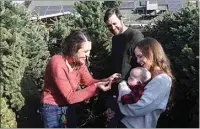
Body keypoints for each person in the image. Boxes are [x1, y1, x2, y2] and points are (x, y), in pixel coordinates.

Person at [40, 29, 121, 128]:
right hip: (52, 108)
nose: (88, 54)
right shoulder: (57, 63)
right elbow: (70, 97)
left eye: (89, 51)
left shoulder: (79, 62)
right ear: (74, 49)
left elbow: (90, 82)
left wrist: (108, 80)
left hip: (68, 107)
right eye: (85, 51)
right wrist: (96, 86)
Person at [113, 37, 173, 128]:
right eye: (136, 57)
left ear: (152, 53)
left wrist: (122, 86)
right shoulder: (149, 76)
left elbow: (136, 108)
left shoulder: (162, 80)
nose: (137, 61)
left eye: (140, 56)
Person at [103, 8, 144, 127]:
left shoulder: (135, 36)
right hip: (116, 89)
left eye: (114, 23)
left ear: (121, 19)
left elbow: (142, 64)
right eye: (109, 26)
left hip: (131, 92)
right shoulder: (115, 39)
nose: (113, 28)